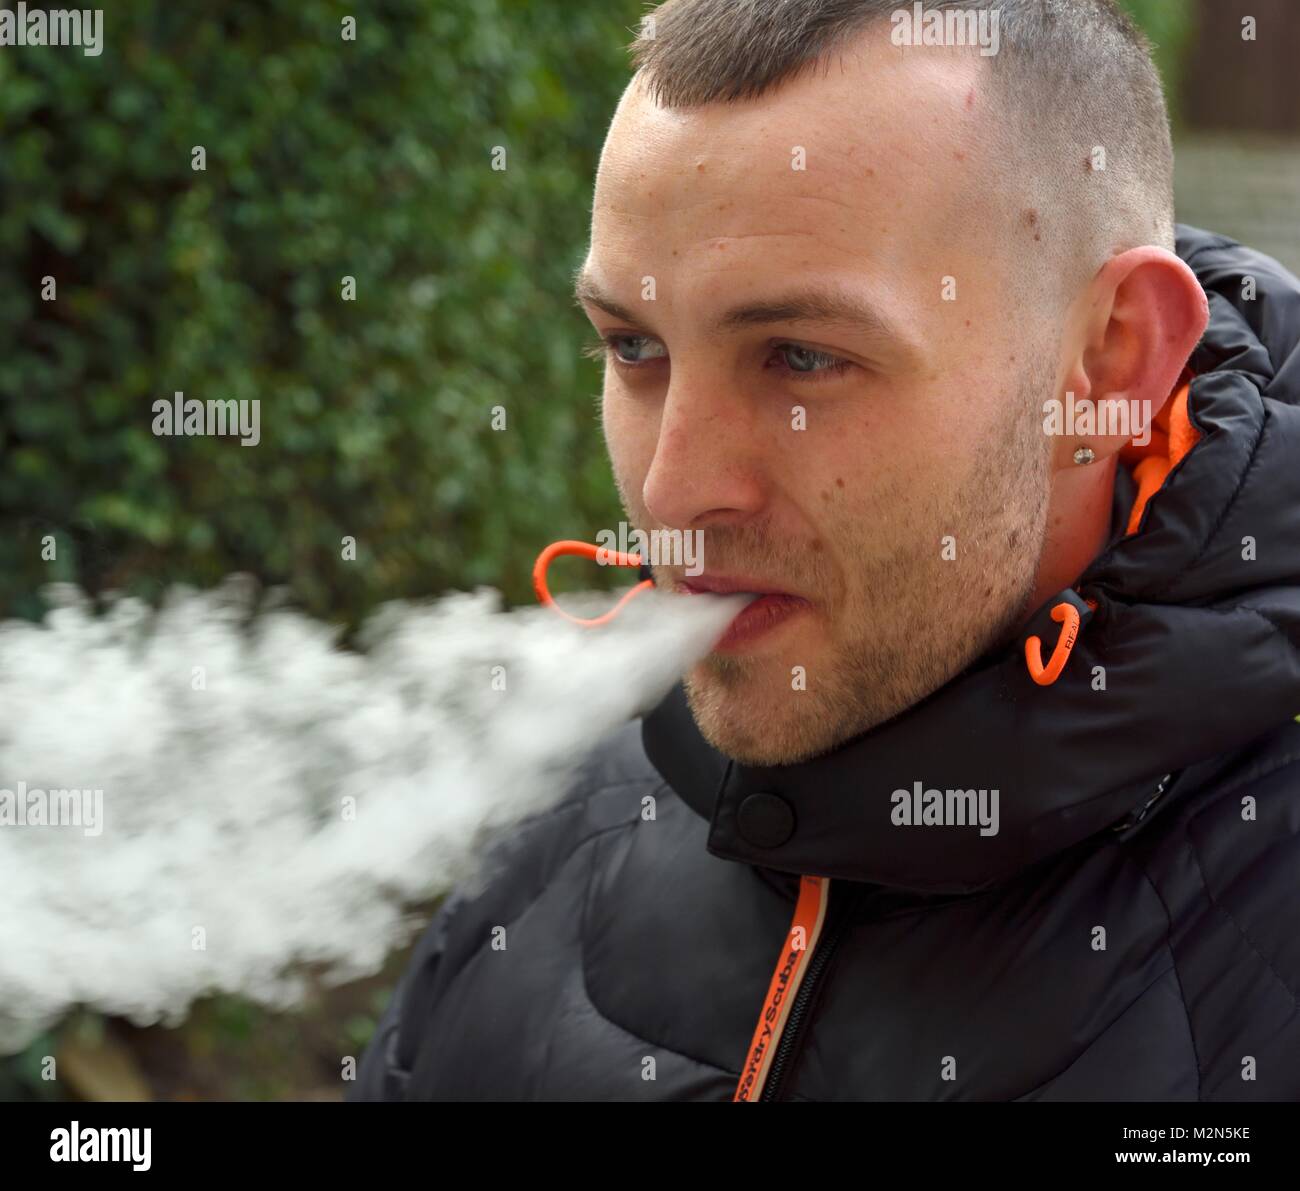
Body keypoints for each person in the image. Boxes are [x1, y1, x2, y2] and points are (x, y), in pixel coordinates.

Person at [353, 0, 1300, 1101]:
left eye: (800, 358)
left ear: (1107, 364)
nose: (674, 491)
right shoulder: (545, 861)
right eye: (634, 347)